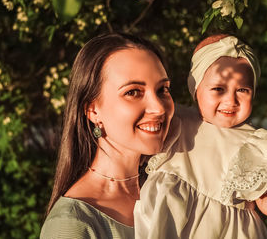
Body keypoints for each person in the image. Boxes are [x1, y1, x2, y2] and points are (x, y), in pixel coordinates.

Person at [134, 34, 267, 238]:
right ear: (195, 89)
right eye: (218, 89)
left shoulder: (256, 144)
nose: (231, 100)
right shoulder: (176, 122)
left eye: (243, 90)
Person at [40, 33, 174, 239]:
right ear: (92, 110)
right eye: (133, 92)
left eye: (162, 89)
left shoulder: (171, 191)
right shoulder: (71, 225)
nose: (158, 108)